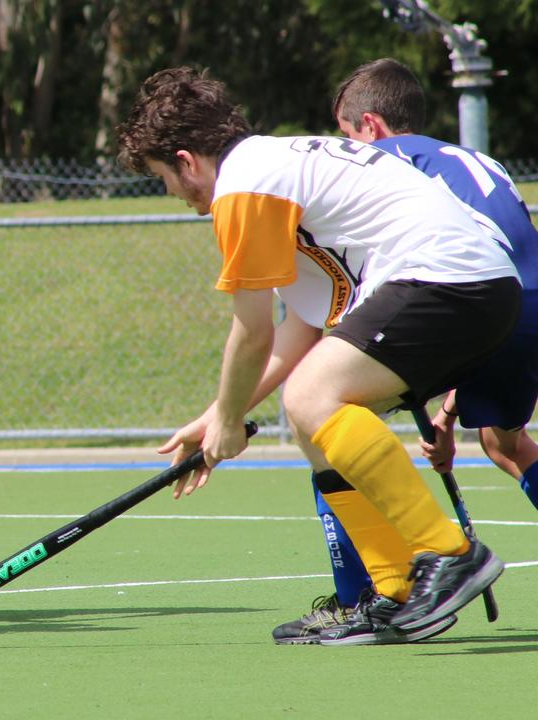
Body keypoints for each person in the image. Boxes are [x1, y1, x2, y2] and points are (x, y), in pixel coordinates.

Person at [118, 66, 519, 645]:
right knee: (310, 413)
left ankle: (448, 554)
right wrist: (216, 415)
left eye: (164, 178)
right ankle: (395, 589)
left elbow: (251, 332)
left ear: (187, 160)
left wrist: (231, 423)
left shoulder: (244, 186)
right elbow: (298, 331)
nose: (173, 195)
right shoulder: (275, 167)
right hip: (471, 287)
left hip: (448, 282)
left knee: (310, 396)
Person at [266, 58, 538, 645]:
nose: (343, 150)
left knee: (328, 411)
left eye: (346, 136)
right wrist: (447, 411)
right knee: (505, 442)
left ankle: (364, 598)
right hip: (517, 296)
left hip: (459, 294)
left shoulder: (377, 165)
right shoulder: (470, 158)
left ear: (370, 126)